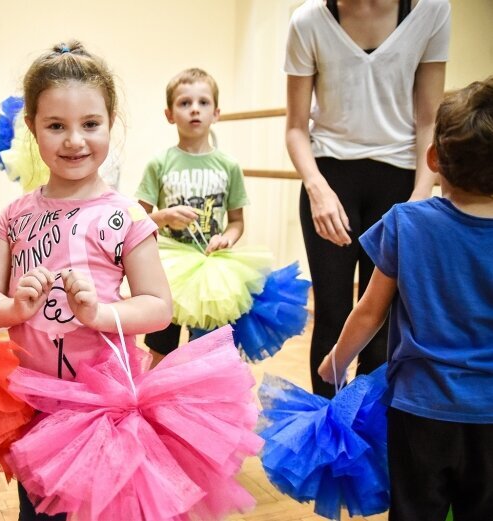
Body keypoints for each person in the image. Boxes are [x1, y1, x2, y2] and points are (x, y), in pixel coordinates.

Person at [0, 40, 173, 521]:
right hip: (32, 401)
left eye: (90, 125)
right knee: (38, 510)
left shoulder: (124, 216)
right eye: (56, 125)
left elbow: (158, 306)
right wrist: (14, 310)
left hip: (104, 406)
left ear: (110, 121)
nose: (74, 140)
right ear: (32, 129)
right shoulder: (15, 216)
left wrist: (100, 314)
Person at [318, 76, 493, 521]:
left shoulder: (406, 223)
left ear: (433, 159)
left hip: (420, 411)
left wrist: (337, 360)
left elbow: (369, 310)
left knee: (415, 511)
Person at [285, 0, 451, 397]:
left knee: (385, 321)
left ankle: (368, 437)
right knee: (332, 315)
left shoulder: (432, 11)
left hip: (401, 182)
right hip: (330, 179)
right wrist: (317, 187)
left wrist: (421, 195)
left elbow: (430, 118)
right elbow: (295, 126)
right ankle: (328, 437)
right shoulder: (308, 19)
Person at [135, 67, 249, 367]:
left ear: (217, 113)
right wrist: (164, 216)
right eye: (184, 103)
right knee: (161, 348)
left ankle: (199, 407)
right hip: (167, 272)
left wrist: (228, 236)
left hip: (212, 272)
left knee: (207, 352)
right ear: (169, 114)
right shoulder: (159, 164)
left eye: (203, 102)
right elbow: (137, 221)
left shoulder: (229, 166)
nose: (194, 109)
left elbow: (236, 221)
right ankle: (154, 402)